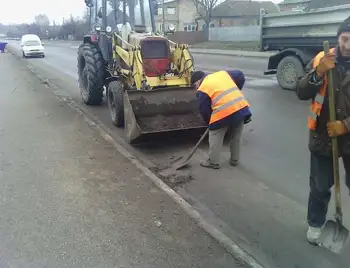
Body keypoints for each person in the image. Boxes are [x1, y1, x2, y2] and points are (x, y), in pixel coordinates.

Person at [296, 16, 350, 245]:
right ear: (338, 38)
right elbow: (300, 91)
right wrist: (317, 73)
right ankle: (316, 224)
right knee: (319, 186)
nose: (348, 46)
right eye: (345, 39)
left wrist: (346, 125)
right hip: (322, 135)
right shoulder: (323, 58)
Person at [191, 70, 252, 169]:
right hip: (240, 107)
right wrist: (237, 91)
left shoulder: (203, 88)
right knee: (236, 135)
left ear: (198, 81)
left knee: (215, 135)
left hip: (224, 112)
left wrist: (210, 124)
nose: (196, 88)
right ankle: (234, 160)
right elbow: (240, 75)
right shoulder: (221, 74)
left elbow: (204, 110)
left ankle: (213, 162)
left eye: (194, 86)